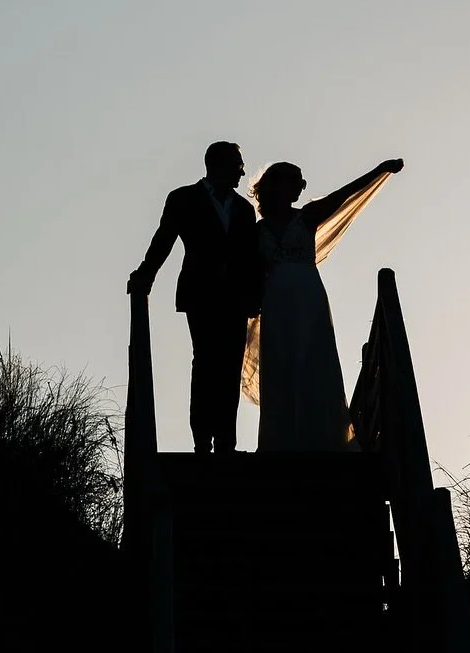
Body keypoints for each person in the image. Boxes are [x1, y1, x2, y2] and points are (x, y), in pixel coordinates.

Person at [243, 157, 403, 451]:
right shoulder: (256, 231)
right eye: (296, 181)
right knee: (281, 364)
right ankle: (282, 441)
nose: (301, 187)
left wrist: (380, 170)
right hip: (275, 303)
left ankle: (323, 436)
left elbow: (346, 194)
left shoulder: (307, 217)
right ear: (277, 185)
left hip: (309, 299)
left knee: (313, 360)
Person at [128, 141, 261, 454]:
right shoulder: (183, 198)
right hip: (200, 292)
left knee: (230, 366)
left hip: (235, 298)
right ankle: (202, 440)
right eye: (238, 165)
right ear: (218, 165)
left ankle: (226, 442)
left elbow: (250, 257)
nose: (242, 172)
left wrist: (255, 293)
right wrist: (146, 273)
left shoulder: (244, 209)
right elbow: (164, 239)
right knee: (205, 362)